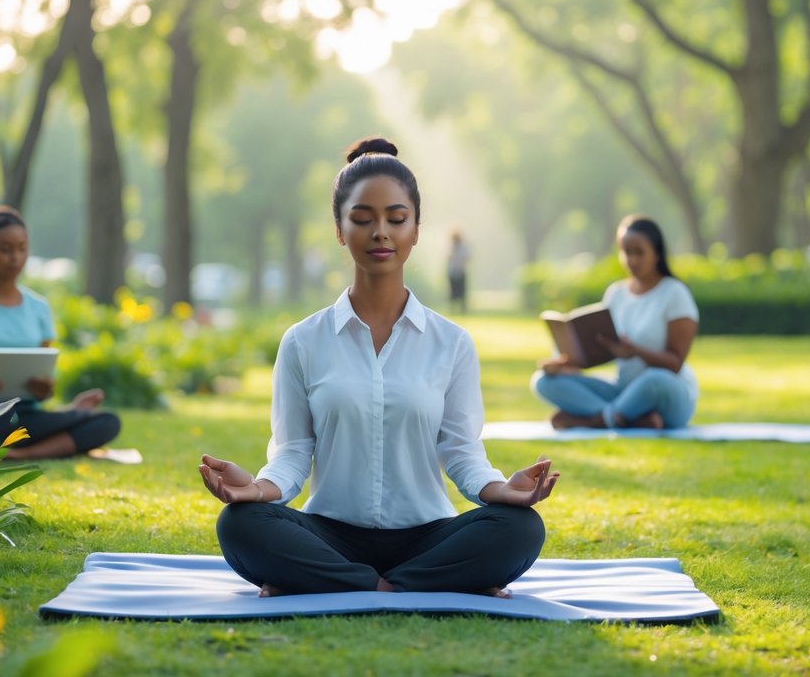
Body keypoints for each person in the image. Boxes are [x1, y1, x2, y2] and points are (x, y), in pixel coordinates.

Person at [200, 137, 557, 598]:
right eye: (363, 219)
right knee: (240, 524)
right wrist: (257, 488)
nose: (381, 233)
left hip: (428, 536)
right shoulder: (302, 342)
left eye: (396, 218)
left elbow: (461, 450)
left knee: (520, 529)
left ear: (416, 228)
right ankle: (410, 585)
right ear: (339, 229)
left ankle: (343, 584)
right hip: (328, 534)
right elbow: (292, 453)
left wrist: (500, 490)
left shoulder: (451, 343)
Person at [0, 205, 121, 460]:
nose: (15, 258)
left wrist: (44, 389)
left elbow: (45, 377)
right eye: (5, 249)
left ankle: (13, 453)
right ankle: (62, 419)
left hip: (23, 413)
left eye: (22, 248)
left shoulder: (38, 308)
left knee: (107, 422)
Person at [531, 215, 699, 431]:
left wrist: (635, 351)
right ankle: (627, 417)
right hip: (623, 390)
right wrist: (565, 363)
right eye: (626, 252)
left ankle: (595, 420)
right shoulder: (616, 294)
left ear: (657, 253)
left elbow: (675, 364)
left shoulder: (675, 293)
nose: (632, 260)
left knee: (656, 379)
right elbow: (602, 350)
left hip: (667, 394)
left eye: (639, 252)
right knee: (543, 381)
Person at [446, 228, 471, 314]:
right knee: (453, 291)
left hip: (460, 271)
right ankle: (453, 309)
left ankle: (462, 310)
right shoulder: (451, 246)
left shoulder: (463, 247)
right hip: (453, 272)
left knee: (462, 291)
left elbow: (467, 257)